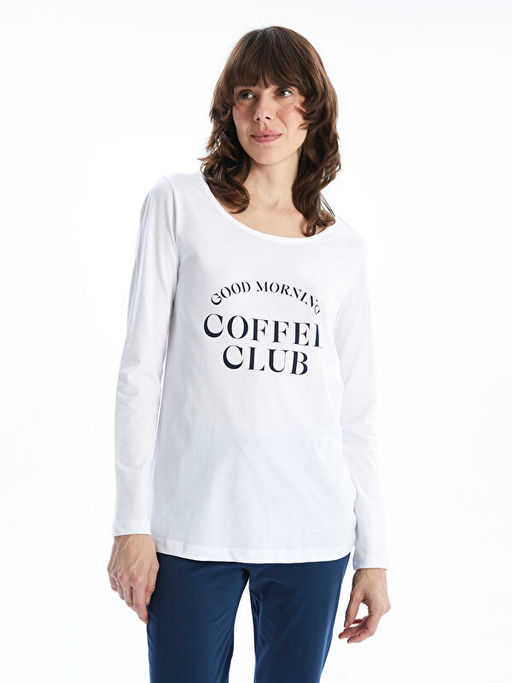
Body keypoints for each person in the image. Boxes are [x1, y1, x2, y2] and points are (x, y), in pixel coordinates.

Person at [107, 25, 391, 683]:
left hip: (311, 532)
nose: (264, 112)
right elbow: (138, 374)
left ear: (313, 108)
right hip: (191, 527)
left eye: (284, 93)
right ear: (228, 109)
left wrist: (373, 554)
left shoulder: (343, 249)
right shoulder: (179, 204)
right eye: (247, 94)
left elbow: (357, 413)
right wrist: (131, 523)